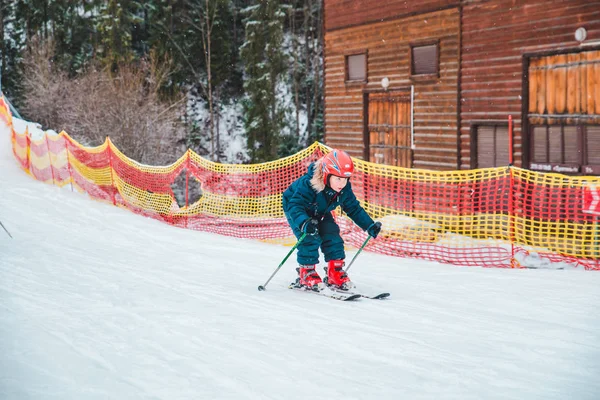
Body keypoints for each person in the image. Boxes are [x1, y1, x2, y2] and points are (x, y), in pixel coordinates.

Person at [282, 149, 382, 291]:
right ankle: (307, 272)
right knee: (310, 237)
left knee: (332, 235)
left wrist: (369, 225)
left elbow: (353, 208)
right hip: (298, 210)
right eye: (338, 178)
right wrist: (304, 222)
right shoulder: (309, 184)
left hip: (321, 210)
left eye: (346, 178)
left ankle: (334, 272)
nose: (342, 183)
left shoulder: (344, 188)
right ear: (326, 175)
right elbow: (295, 205)